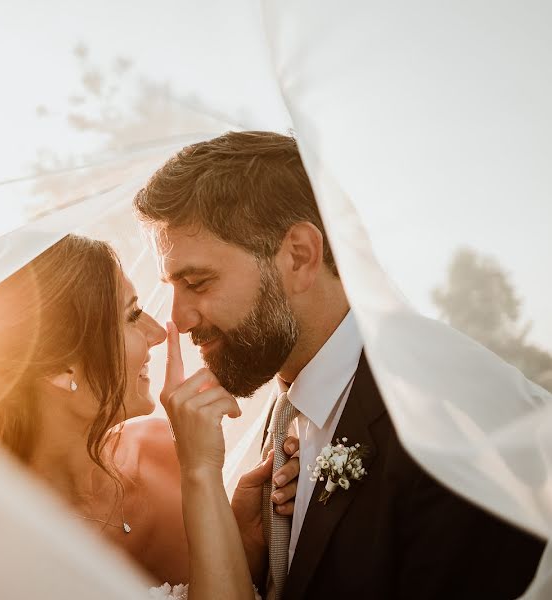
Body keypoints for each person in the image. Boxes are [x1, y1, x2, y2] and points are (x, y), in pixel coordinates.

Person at [133, 130, 546, 599]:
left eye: (198, 282)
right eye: (173, 285)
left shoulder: (446, 421)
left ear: (300, 256)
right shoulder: (290, 404)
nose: (180, 320)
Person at [0, 233, 301, 591]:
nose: (158, 333)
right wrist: (201, 472)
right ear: (63, 371)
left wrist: (240, 542)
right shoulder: (3, 554)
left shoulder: (160, 449)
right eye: (132, 316)